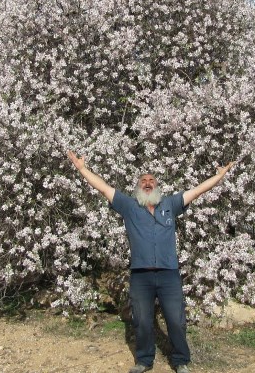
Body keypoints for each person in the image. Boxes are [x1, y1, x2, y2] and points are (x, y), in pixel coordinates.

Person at [67, 151, 235, 373]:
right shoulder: (129, 205)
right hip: (141, 274)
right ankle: (144, 361)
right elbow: (103, 187)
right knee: (142, 321)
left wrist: (220, 176)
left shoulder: (170, 204)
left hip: (169, 274)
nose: (147, 183)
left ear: (157, 185)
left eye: (151, 180)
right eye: (143, 181)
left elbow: (198, 190)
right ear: (138, 186)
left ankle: (180, 360)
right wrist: (82, 169)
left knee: (176, 319)